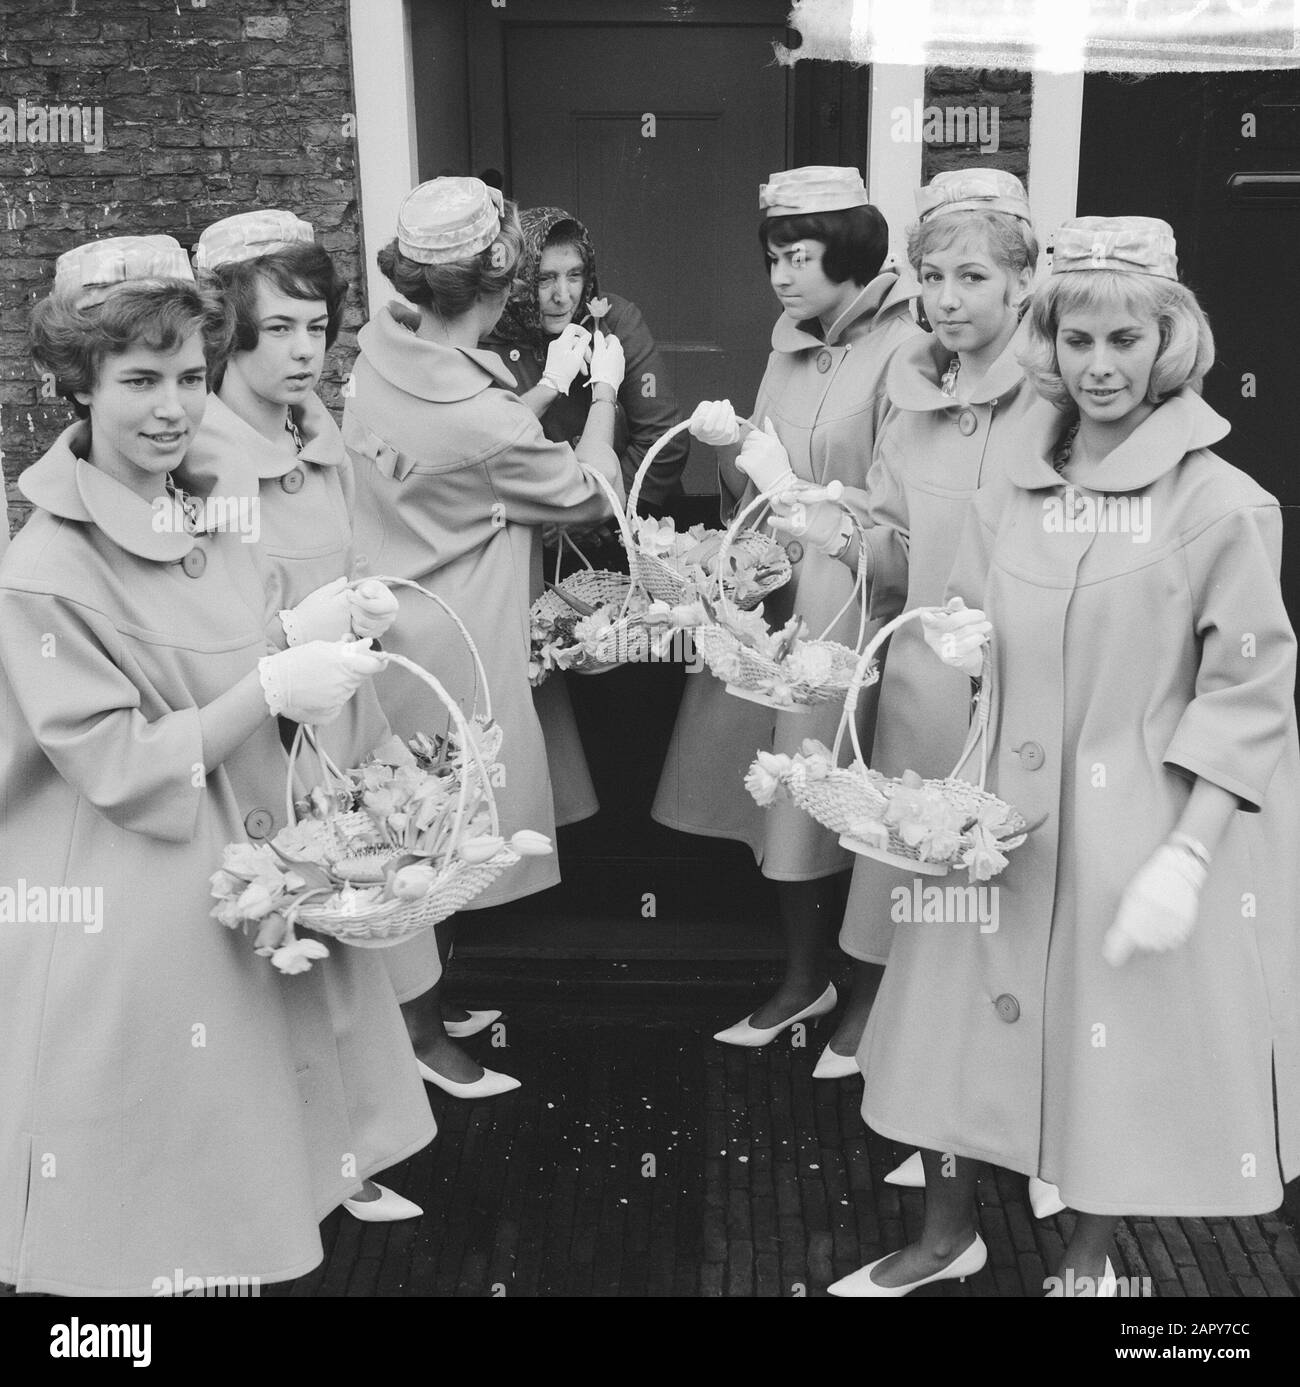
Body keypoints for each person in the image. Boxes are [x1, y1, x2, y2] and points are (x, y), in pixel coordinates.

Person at [829, 216, 1300, 1296]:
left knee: (1109, 1057)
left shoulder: (1223, 506)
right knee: (946, 1029)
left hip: (1136, 830)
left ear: (1168, 345)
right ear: (1046, 341)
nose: (1097, 366)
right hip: (998, 814)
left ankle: (1088, 1256)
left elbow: (1248, 692)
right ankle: (947, 1237)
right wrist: (961, 633)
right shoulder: (1016, 485)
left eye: (1124, 341)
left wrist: (1187, 856)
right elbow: (974, 614)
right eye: (1075, 339)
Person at [0, 239, 436, 1294]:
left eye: (191, 377)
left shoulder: (210, 503)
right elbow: (122, 763)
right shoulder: (44, 568)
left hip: (244, 876)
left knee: (243, 1195)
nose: (171, 407)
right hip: (137, 918)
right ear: (81, 384)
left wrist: (302, 625)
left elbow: (224, 648)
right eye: (140, 380)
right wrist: (272, 685)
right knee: (158, 1213)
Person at [343, 178, 627, 1098]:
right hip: (457, 637)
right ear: (503, 282)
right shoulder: (482, 418)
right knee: (433, 840)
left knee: (407, 826)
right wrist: (605, 397)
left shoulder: (380, 358)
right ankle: (420, 1041)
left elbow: (480, 453)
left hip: (388, 617)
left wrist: (539, 389)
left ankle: (421, 1002)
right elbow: (589, 490)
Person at [652, 165, 919, 1043]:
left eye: (798, 256)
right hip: (780, 592)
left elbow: (898, 504)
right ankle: (806, 980)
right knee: (784, 805)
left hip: (855, 596)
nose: (781, 275)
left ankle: (870, 1003)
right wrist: (734, 453)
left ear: (847, 250)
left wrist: (800, 494)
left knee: (854, 799)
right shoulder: (787, 343)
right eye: (773, 257)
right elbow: (750, 487)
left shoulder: (905, 348)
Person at [190, 210, 420, 1222]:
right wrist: (289, 632)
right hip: (252, 761)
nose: (300, 350)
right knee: (273, 972)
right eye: (275, 327)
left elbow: (346, 558)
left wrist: (365, 601)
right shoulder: (196, 465)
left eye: (316, 326)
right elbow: (190, 647)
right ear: (225, 336)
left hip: (333, 744)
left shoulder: (317, 437)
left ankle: (344, 1154)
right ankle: (279, 1175)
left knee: (335, 965)